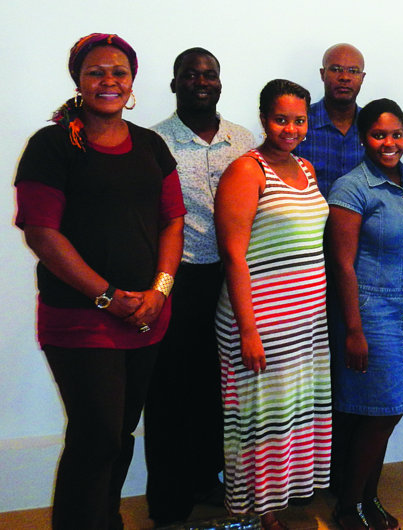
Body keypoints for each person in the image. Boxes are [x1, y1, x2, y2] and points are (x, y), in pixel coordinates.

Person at [14, 33, 185, 529]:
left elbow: (172, 220)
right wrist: (108, 298)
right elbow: (43, 233)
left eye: (119, 73)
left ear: (132, 83)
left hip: (147, 316)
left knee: (122, 433)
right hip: (79, 317)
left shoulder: (151, 146)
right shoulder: (51, 147)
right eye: (96, 72)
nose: (108, 81)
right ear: (79, 80)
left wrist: (160, 290)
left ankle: (105, 519)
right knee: (97, 437)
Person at [144, 47, 255, 525]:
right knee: (170, 391)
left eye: (209, 74)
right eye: (190, 75)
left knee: (220, 387)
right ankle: (168, 502)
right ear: (174, 84)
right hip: (181, 279)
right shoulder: (152, 143)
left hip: (233, 280)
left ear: (221, 83)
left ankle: (208, 480)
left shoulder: (244, 141)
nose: (201, 81)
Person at [214, 79, 330, 530]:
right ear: (264, 119)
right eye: (281, 119)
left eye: (299, 120)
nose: (290, 128)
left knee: (290, 415)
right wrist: (248, 329)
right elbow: (233, 255)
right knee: (258, 421)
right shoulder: (247, 170)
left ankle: (276, 503)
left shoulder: (307, 169)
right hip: (259, 320)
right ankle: (255, 513)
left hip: (304, 322)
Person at [326, 98, 403, 530]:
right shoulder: (350, 188)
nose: (389, 143)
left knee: (382, 410)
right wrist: (353, 329)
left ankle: (367, 499)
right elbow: (341, 264)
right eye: (378, 134)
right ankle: (348, 505)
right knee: (382, 410)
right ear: (362, 137)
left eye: (396, 134)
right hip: (369, 312)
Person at [293, 42, 366, 198]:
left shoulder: (371, 126)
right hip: (309, 220)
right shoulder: (298, 124)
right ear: (322, 74)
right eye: (336, 69)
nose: (345, 77)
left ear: (362, 78)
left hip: (360, 221)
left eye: (353, 71)